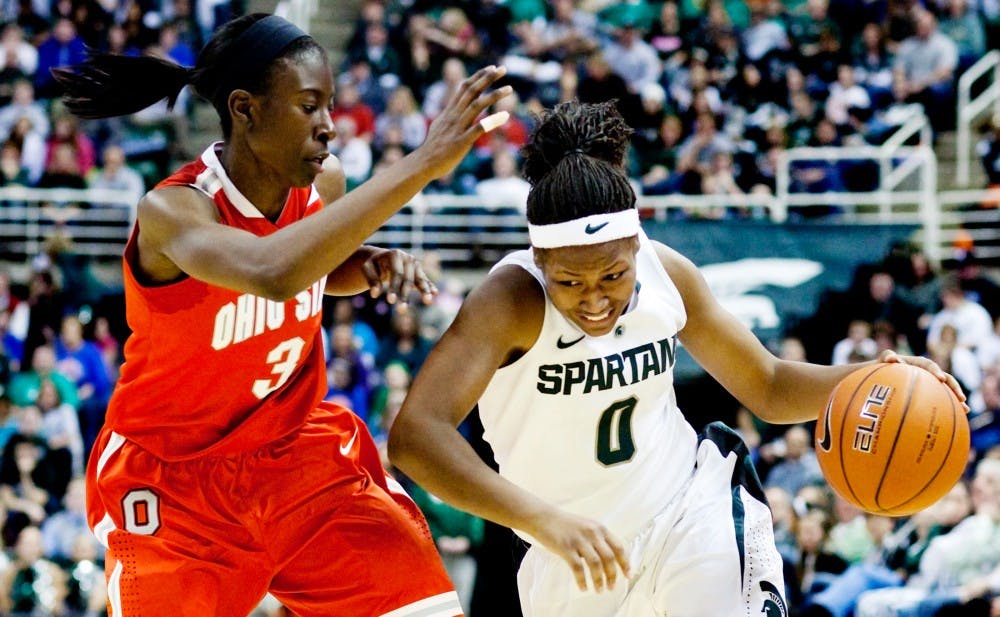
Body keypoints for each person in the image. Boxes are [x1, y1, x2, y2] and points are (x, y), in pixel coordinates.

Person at [387, 100, 967, 617]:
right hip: (572, 555)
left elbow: (767, 384)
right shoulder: (508, 301)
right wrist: (539, 518)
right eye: (570, 282)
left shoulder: (667, 274)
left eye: (613, 275)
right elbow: (416, 436)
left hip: (690, 516)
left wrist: (873, 377)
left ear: (635, 243)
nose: (594, 299)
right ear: (540, 259)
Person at [52, 12, 511, 616]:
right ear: (245, 109)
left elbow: (314, 264)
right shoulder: (175, 212)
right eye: (309, 106)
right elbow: (272, 273)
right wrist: (424, 161)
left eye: (330, 106)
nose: (329, 126)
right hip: (176, 478)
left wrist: (367, 263)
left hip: (293, 453)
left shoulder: (324, 183)